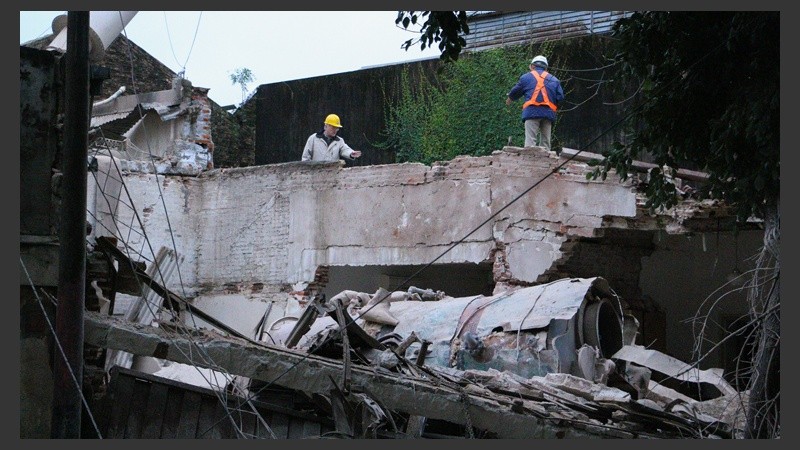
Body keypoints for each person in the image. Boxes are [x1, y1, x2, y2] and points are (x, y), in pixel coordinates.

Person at [505, 55, 565, 151]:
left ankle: (529, 163)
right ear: (546, 68)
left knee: (530, 141)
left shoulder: (526, 78)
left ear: (532, 66)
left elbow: (516, 91)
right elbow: (560, 98)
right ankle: (545, 163)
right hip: (548, 114)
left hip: (531, 112)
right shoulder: (554, 80)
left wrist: (510, 98)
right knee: (545, 142)